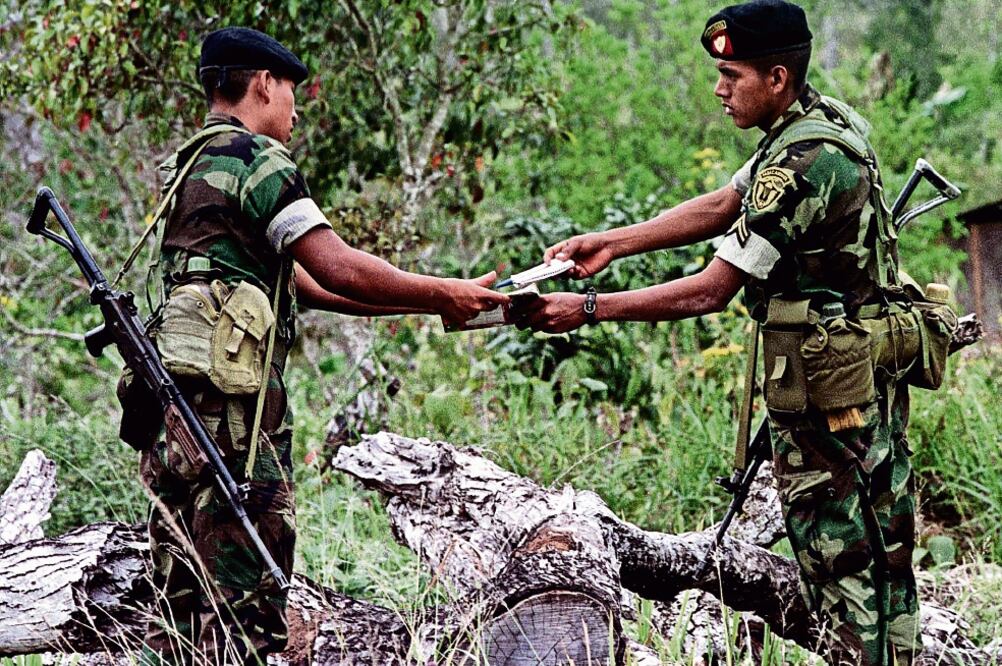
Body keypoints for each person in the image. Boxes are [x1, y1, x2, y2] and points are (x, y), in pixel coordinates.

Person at [520, 1, 920, 664]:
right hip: (862, 380)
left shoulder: (800, 164)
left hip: (831, 405)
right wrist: (614, 243)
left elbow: (710, 290)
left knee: (843, 571)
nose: (719, 89)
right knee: (886, 558)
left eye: (732, 75)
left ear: (777, 79)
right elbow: (724, 204)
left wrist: (587, 308)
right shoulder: (823, 124)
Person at [133, 27, 507, 666]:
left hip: (176, 424)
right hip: (235, 429)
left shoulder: (187, 165)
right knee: (246, 615)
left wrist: (432, 303)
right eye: (290, 90)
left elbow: (304, 285)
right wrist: (444, 289)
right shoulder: (258, 161)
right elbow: (338, 267)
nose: (296, 110)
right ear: (263, 84)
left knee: (180, 609)